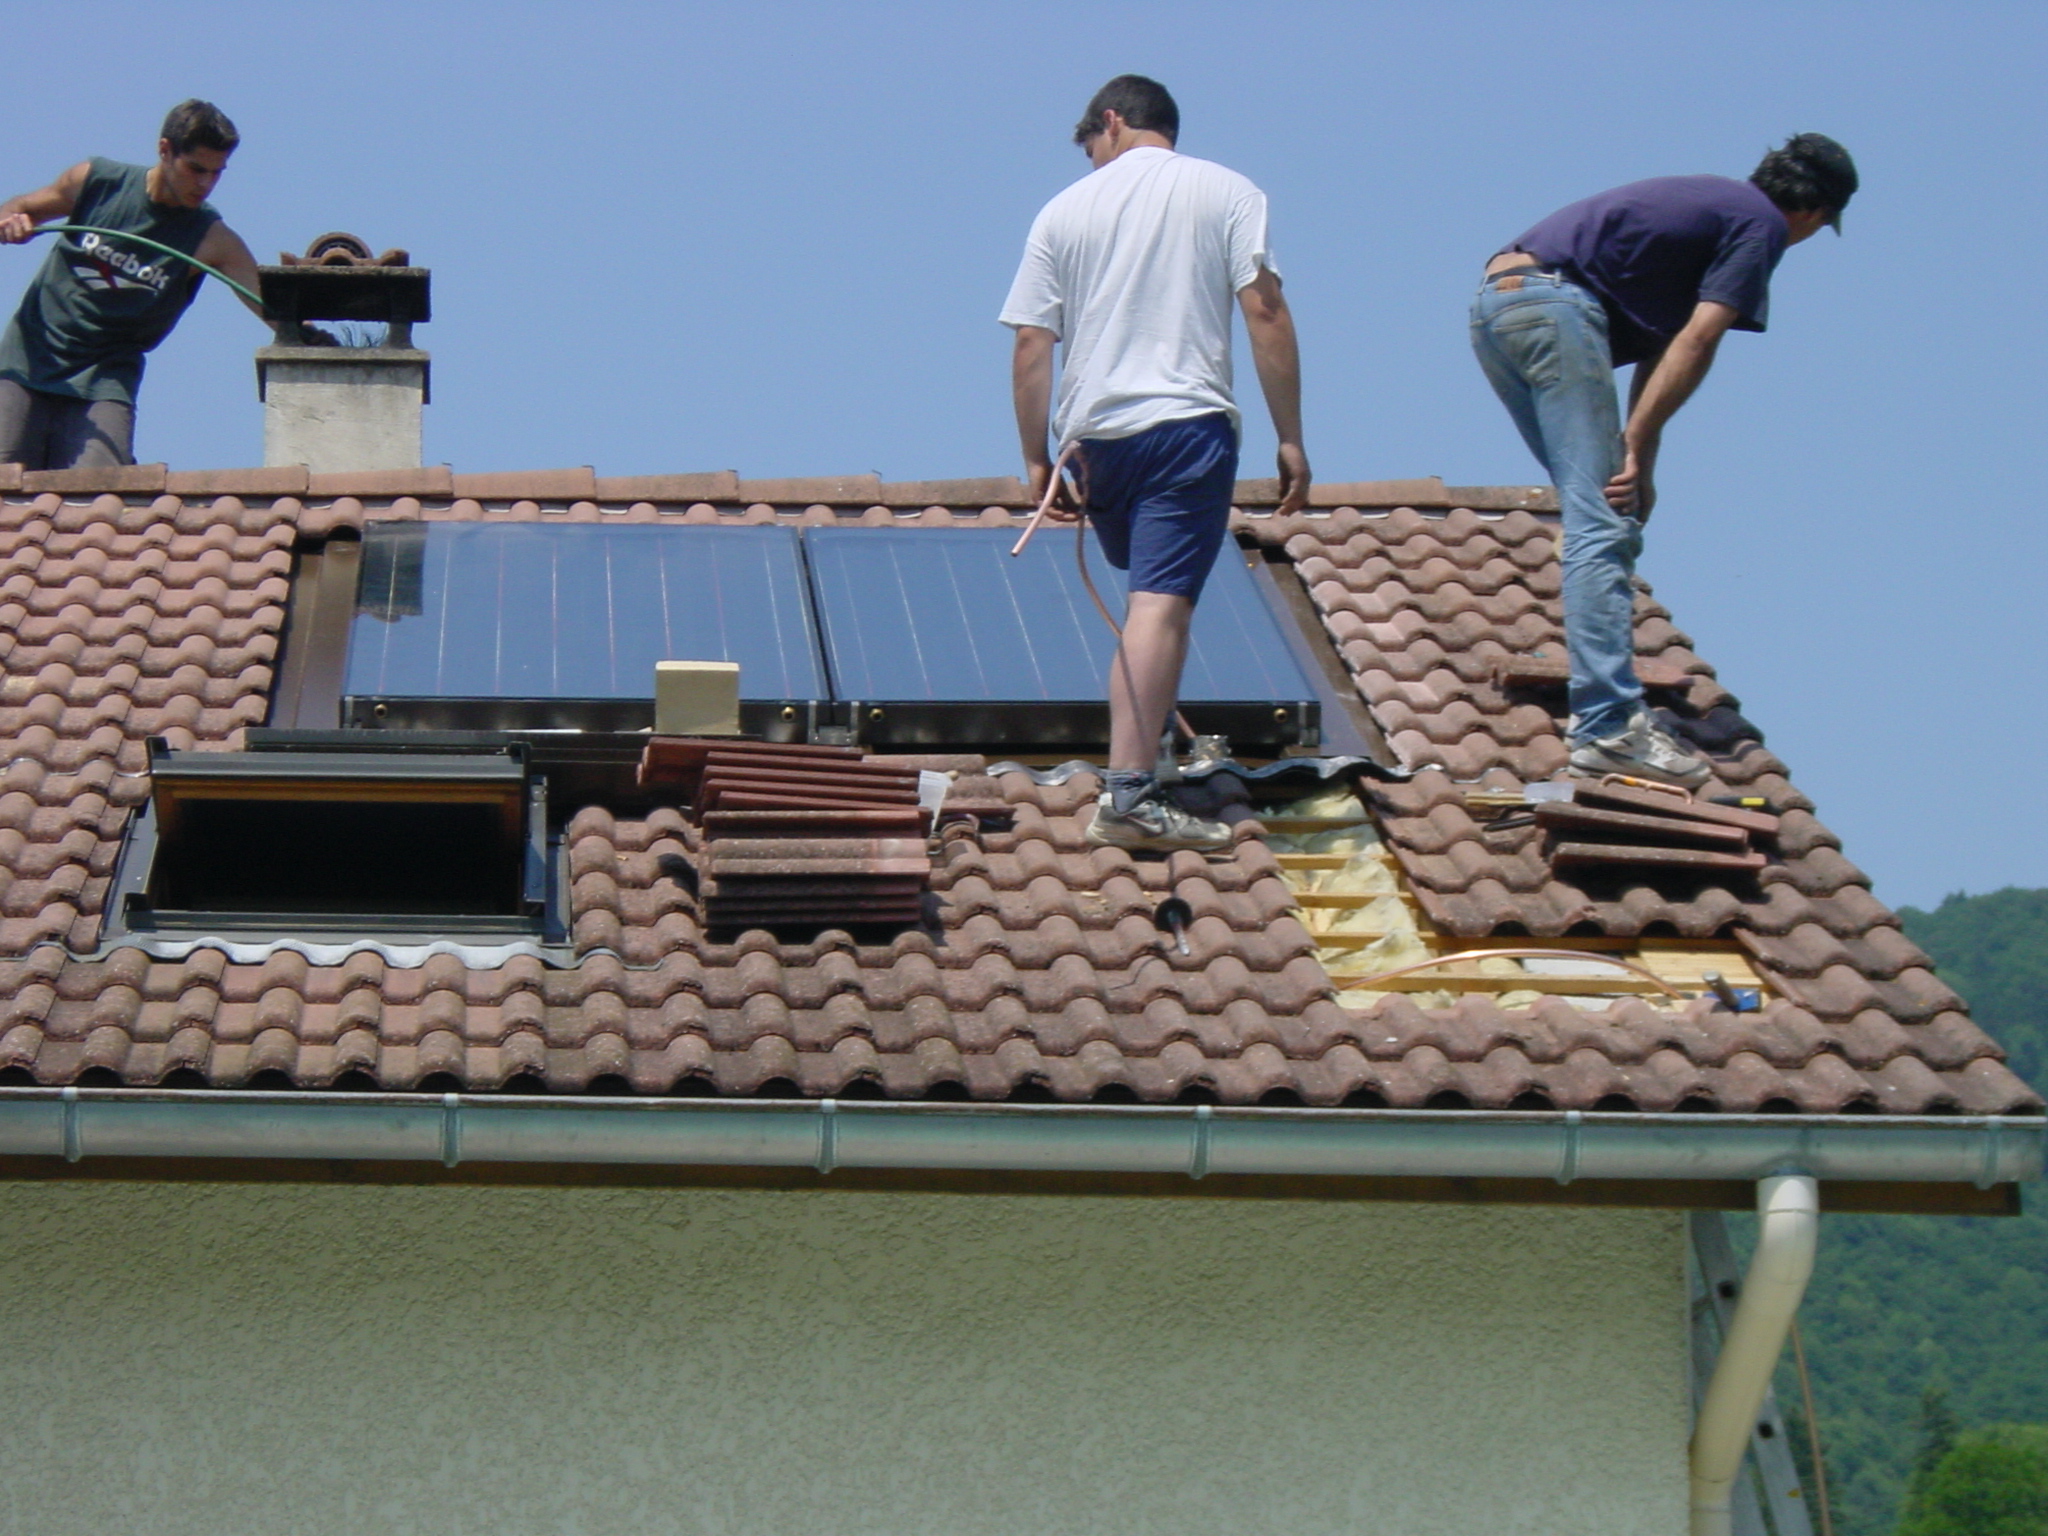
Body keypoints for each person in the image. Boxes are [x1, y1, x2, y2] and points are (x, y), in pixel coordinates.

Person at [1470, 134, 1859, 788]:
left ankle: (1604, 706)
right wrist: (1638, 438)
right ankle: (1609, 728)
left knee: (1599, 507)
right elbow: (1701, 337)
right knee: (1603, 525)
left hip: (1497, 306)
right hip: (1557, 309)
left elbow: (1665, 341)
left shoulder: (1712, 206)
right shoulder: (1759, 227)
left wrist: (1639, 452)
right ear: (1815, 214)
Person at [1002, 74, 1309, 853]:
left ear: (1112, 121)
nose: (1094, 165)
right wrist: (1291, 435)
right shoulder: (1229, 191)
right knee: (1160, 606)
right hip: (1185, 427)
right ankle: (1131, 793)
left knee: (1145, 597)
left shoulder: (1060, 212)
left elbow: (1033, 344)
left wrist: (1036, 459)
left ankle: (1141, 764)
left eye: (1092, 149)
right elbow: (1264, 310)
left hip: (1096, 443)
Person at [0, 99, 265, 470]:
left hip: (104, 380)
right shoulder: (97, 182)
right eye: (196, 169)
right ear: (164, 150)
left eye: (217, 173)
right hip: (27, 362)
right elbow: (18, 207)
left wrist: (314, 336)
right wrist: (12, 223)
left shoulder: (211, 239)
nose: (206, 184)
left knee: (98, 499)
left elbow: (272, 305)